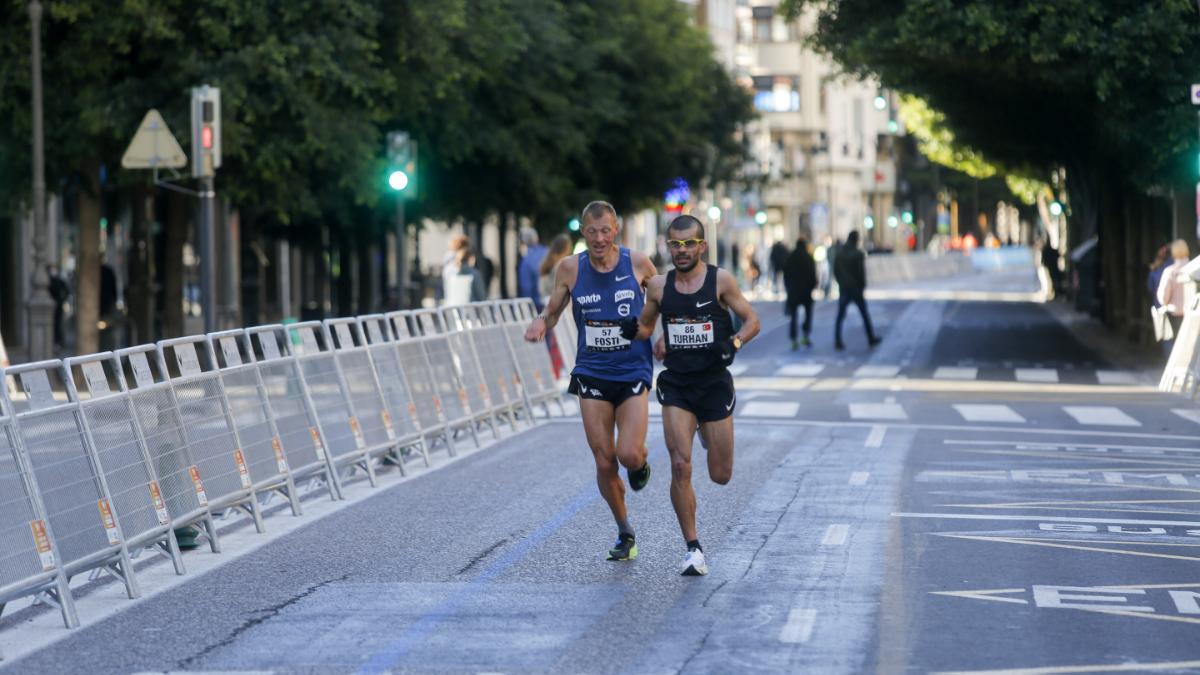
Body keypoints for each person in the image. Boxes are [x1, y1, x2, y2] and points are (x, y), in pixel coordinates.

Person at [620, 214, 760, 576]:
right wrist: (632, 330)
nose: (681, 251)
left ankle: (706, 433)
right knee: (680, 465)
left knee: (721, 474)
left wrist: (735, 342)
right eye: (675, 244)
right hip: (678, 386)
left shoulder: (720, 281)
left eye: (688, 244)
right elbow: (646, 327)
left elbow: (752, 320)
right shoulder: (659, 287)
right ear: (668, 247)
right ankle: (693, 548)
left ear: (702, 246)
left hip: (713, 384)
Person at [524, 201, 655, 562]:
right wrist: (541, 321)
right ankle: (625, 531)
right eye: (592, 231)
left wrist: (650, 330)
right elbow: (553, 309)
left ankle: (641, 465)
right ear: (583, 232)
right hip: (593, 372)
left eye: (606, 230)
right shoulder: (570, 268)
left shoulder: (638, 263)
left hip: (632, 371)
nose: (599, 238)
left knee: (628, 453)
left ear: (616, 230)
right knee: (603, 461)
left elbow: (660, 299)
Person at [833, 230, 880, 350]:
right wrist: (862, 286)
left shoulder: (840, 253)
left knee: (840, 315)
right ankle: (870, 338)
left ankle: (837, 340)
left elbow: (836, 271)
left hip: (844, 288)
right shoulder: (858, 254)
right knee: (864, 314)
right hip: (855, 288)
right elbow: (861, 273)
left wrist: (840, 283)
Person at [1157, 239, 1192, 354]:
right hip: (1192, 314)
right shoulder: (1195, 269)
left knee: (1171, 343)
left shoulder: (1170, 272)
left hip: (1174, 314)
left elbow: (1163, 298)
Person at [783, 237, 817, 349]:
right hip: (806, 292)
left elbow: (786, 275)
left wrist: (788, 289)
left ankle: (794, 340)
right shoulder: (808, 257)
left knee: (793, 317)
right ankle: (805, 336)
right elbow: (813, 274)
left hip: (793, 292)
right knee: (808, 315)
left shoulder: (790, 257)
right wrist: (812, 287)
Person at [442, 234, 485, 305]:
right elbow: (481, 297)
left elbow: (446, 292)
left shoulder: (447, 269)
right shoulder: (473, 273)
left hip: (451, 309)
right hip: (470, 310)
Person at [518, 228, 549, 311]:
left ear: (523, 242)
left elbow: (526, 287)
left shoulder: (526, 261)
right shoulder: (548, 253)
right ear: (537, 238)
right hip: (555, 301)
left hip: (537, 304)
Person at [48, 265, 70, 350]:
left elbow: (67, 291)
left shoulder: (60, 281)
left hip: (58, 307)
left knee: (58, 326)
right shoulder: (48, 281)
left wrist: (62, 299)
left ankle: (58, 343)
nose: (53, 271)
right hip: (50, 308)